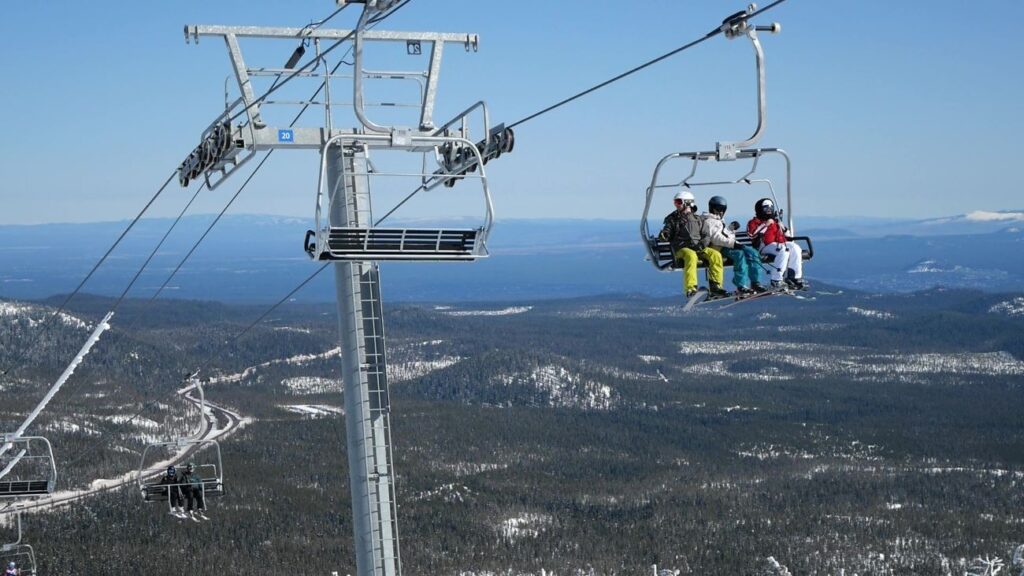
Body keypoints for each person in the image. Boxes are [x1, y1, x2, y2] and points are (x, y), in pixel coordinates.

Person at [658, 190, 727, 298]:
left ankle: (715, 286)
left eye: (678, 202)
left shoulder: (698, 219)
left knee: (715, 255)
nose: (676, 205)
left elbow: (706, 235)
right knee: (691, 255)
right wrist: (664, 234)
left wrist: (701, 245)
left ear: (688, 203)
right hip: (682, 249)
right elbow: (667, 230)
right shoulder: (673, 219)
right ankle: (691, 288)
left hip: (698, 247)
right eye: (675, 202)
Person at [702, 195, 767, 295]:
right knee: (739, 254)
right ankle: (741, 285)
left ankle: (755, 282)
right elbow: (716, 238)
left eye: (723, 209)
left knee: (752, 252)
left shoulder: (718, 220)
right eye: (718, 209)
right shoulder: (708, 221)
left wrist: (731, 229)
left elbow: (725, 234)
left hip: (726, 245)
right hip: (718, 247)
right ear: (712, 208)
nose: (720, 212)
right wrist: (734, 244)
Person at [746, 198, 805, 289]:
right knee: (783, 250)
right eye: (766, 208)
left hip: (779, 244)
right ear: (760, 209)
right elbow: (752, 235)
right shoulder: (753, 222)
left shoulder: (775, 221)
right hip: (764, 246)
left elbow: (787, 236)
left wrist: (783, 228)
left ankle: (794, 277)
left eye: (771, 208)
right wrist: (765, 225)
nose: (769, 210)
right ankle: (776, 280)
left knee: (795, 247)